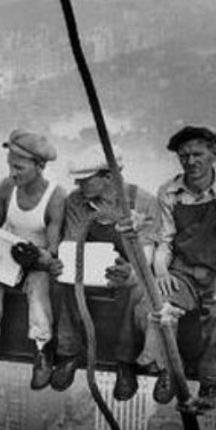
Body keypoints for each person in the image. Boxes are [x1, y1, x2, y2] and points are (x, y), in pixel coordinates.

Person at [137, 126, 216, 409]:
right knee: (160, 306)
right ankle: (166, 371)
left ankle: (210, 380)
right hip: (183, 273)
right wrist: (161, 272)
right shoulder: (169, 192)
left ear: (213, 154)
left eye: (197, 154)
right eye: (184, 156)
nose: (191, 162)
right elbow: (165, 242)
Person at [50, 144, 160, 400]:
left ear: (109, 176)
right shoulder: (77, 201)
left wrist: (130, 271)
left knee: (133, 289)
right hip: (89, 265)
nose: (79, 185)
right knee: (64, 282)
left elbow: (147, 255)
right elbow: (72, 242)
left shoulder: (142, 201)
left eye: (85, 180)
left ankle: (125, 362)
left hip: (128, 269)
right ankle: (68, 352)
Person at [0, 130, 65, 389]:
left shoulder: (55, 197)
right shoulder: (6, 187)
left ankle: (42, 348)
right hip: (8, 254)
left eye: (19, 168)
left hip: (36, 261)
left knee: (38, 287)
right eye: (10, 166)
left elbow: (54, 247)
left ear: (40, 166)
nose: (13, 173)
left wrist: (37, 256)